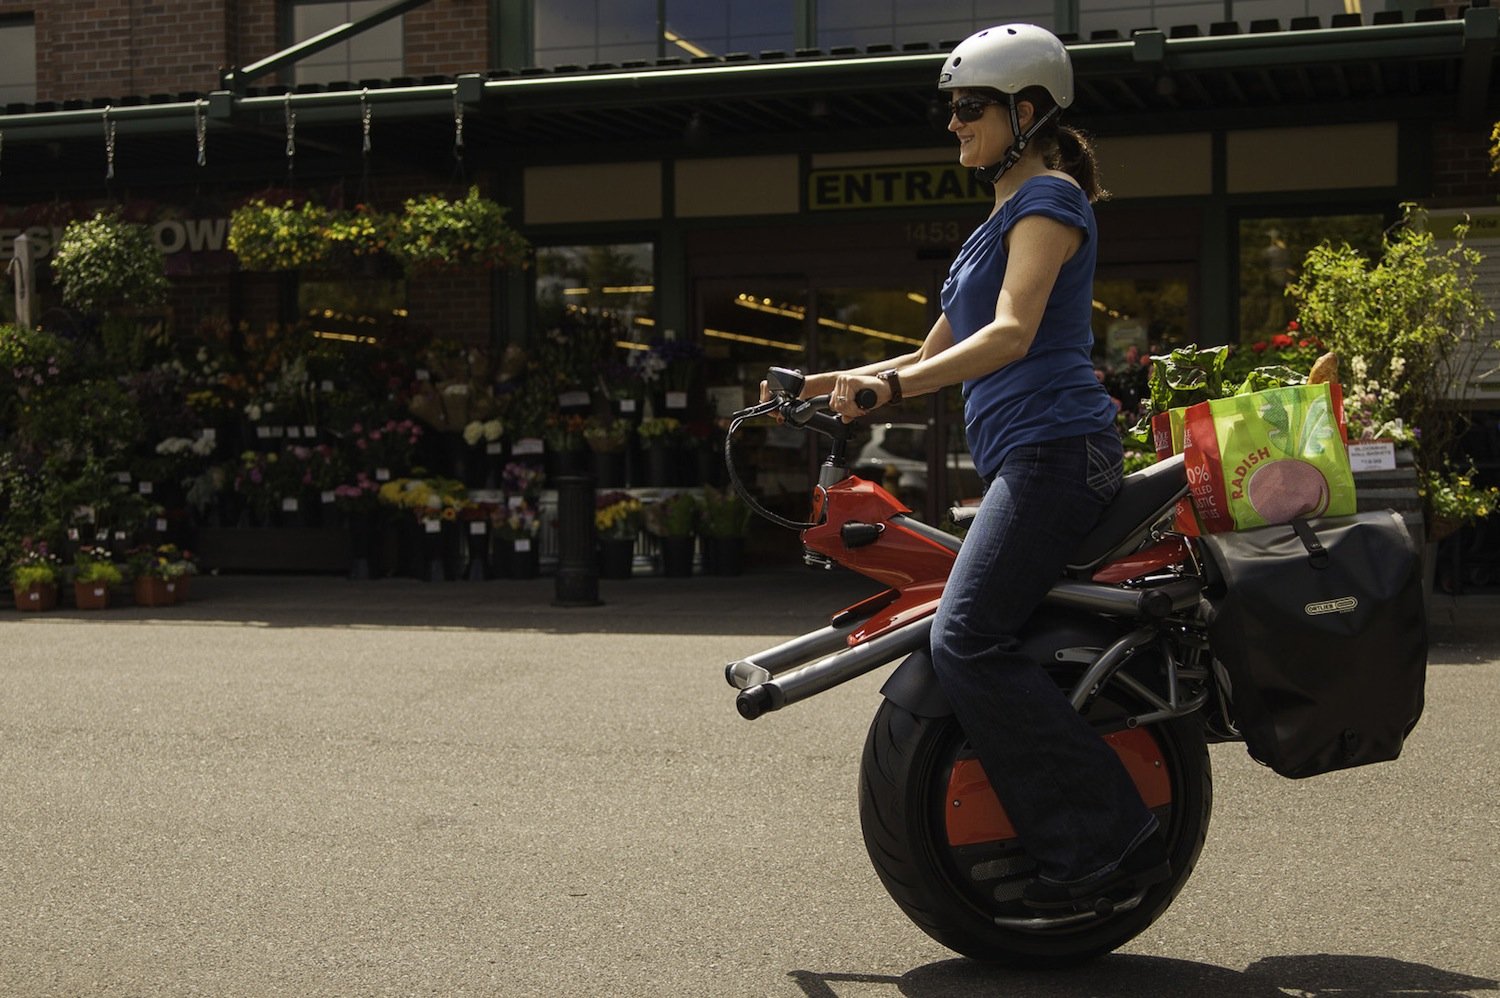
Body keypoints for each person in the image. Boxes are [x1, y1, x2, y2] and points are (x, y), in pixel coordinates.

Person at [764, 23, 1168, 910]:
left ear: (1027, 110)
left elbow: (1011, 334)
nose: (953, 124)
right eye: (950, 109)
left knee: (966, 637)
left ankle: (1104, 836)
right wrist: (830, 384)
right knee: (968, 624)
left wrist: (890, 386)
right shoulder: (997, 217)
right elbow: (927, 353)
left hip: (1061, 451)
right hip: (1028, 457)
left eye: (969, 107)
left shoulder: (1051, 200)